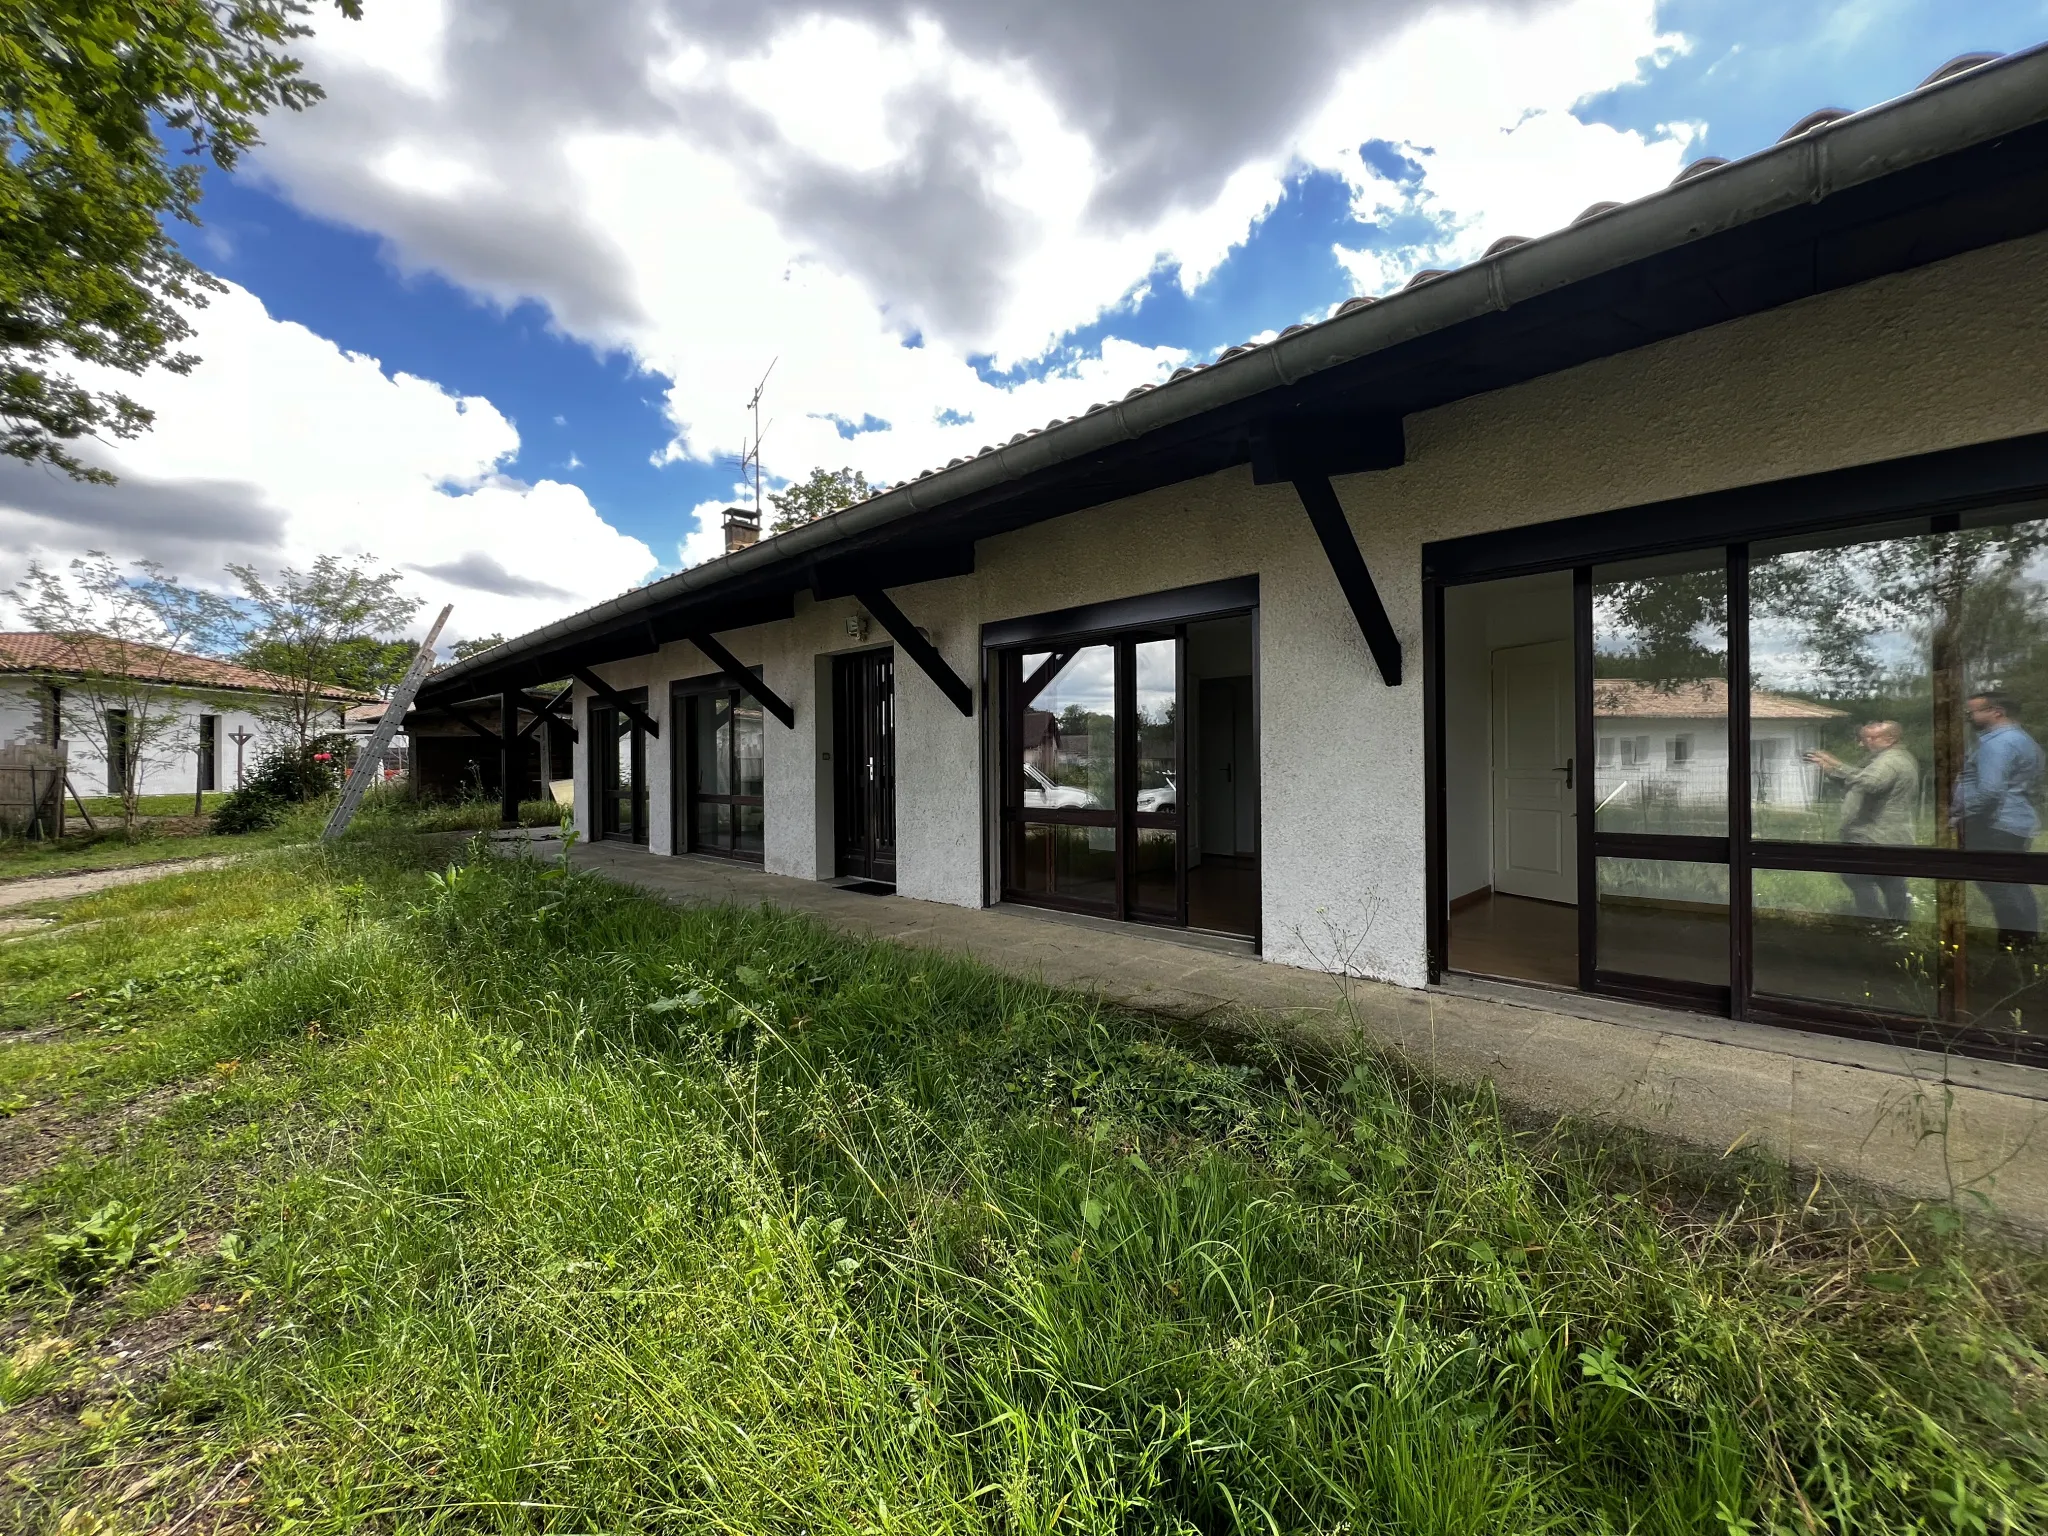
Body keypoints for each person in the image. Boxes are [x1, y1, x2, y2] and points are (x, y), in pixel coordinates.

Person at [1952, 690, 2045, 948]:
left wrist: (1963, 814)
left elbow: (1990, 791)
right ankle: (2026, 944)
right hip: (2014, 822)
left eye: (1972, 712)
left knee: (2000, 887)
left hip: (1994, 825)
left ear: (1997, 712)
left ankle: (2015, 946)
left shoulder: (1997, 744)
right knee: (2014, 885)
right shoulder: (2022, 740)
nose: (1968, 717)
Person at [1807, 721, 1917, 922]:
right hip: (1882, 834)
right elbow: (1860, 783)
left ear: (1890, 739)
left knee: (1858, 877)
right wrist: (1830, 769)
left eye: (1869, 738)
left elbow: (1870, 783)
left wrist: (1837, 764)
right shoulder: (1888, 758)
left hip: (1875, 834)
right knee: (1890, 881)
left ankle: (1875, 922)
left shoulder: (1890, 761)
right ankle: (1898, 925)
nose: (1862, 744)